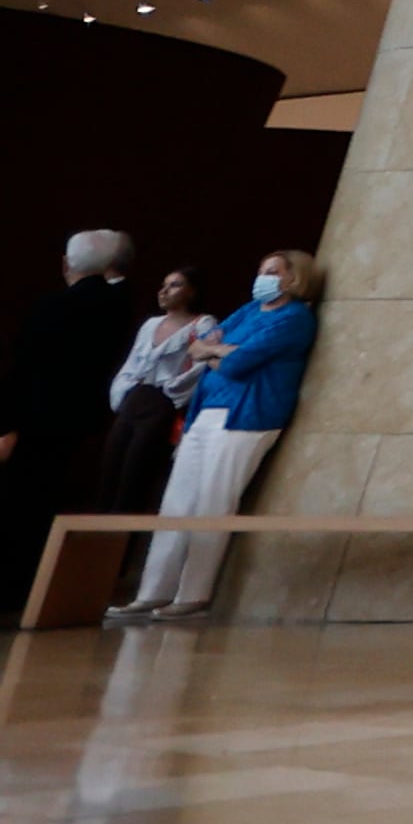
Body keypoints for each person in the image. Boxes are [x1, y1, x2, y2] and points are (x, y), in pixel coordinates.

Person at [122, 249, 321, 618]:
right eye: (262, 270)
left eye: (273, 271)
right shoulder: (248, 311)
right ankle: (153, 591)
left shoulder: (295, 318)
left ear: (293, 278)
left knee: (214, 502)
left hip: (246, 417)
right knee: (177, 503)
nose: (263, 278)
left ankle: (192, 595)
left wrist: (218, 354)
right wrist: (220, 352)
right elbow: (199, 345)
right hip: (206, 413)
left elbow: (240, 362)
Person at [3, 229, 138, 615]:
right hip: (82, 425)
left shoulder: (51, 307)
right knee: (49, 505)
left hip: (34, 423)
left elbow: (23, 369)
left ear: (65, 264)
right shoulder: (118, 304)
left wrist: (7, 424)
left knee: (18, 506)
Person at [102, 267, 207, 517]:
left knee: (136, 472)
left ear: (191, 291)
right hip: (134, 399)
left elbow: (201, 367)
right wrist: (124, 392)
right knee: (112, 466)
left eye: (175, 285)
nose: (165, 290)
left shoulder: (202, 324)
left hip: (162, 404)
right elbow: (133, 362)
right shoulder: (151, 324)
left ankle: (122, 539)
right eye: (164, 284)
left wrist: (170, 393)